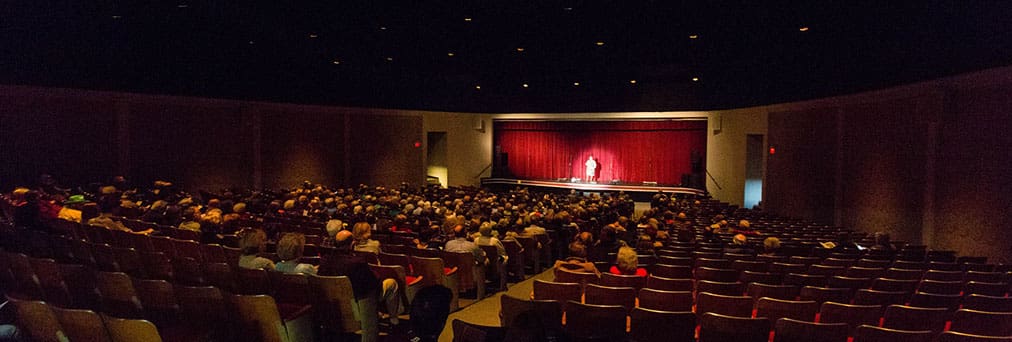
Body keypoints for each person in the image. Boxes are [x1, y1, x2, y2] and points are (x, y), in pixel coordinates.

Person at [318, 230, 400, 342]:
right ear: (352, 244)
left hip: (333, 304)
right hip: (359, 303)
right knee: (390, 283)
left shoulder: (325, 261)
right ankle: (393, 320)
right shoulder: (357, 263)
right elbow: (373, 284)